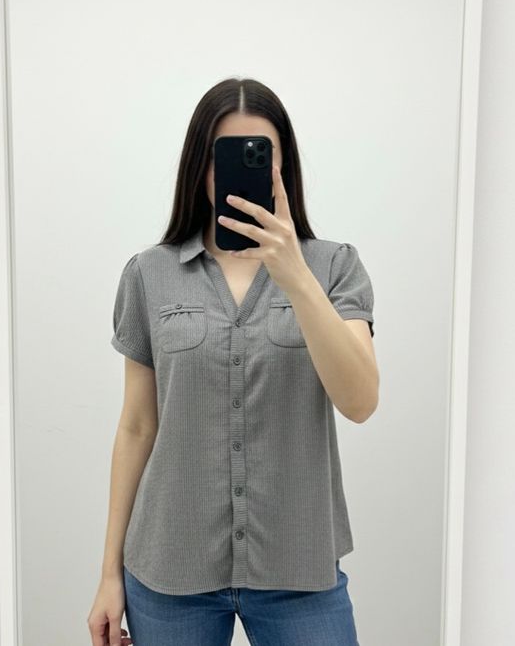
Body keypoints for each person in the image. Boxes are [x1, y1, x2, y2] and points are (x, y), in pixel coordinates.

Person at [87, 78, 379, 646]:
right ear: (200, 166)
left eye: (259, 154)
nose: (238, 172)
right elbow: (137, 426)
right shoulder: (148, 274)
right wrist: (107, 575)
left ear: (283, 167)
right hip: (169, 568)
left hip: (300, 568)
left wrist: (295, 275)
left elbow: (360, 401)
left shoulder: (335, 267)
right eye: (223, 155)